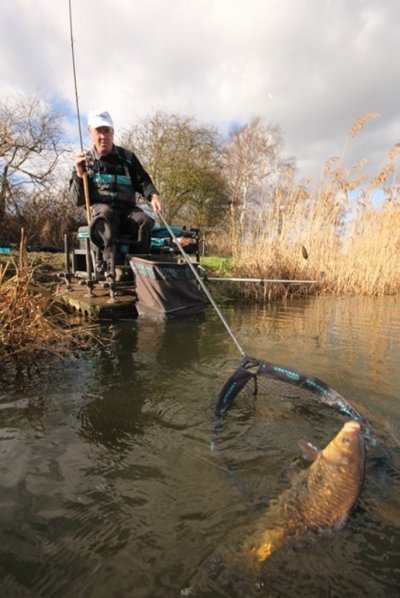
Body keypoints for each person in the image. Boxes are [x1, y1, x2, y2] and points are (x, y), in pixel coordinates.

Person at [69, 109, 162, 274]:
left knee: (145, 221)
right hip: (101, 212)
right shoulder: (83, 163)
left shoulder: (128, 158)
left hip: (127, 212)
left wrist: (153, 196)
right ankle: (111, 268)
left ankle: (139, 270)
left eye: (107, 131)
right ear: (90, 132)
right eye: (98, 131)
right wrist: (79, 174)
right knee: (106, 214)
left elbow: (143, 181)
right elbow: (77, 200)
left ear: (113, 132)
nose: (103, 136)